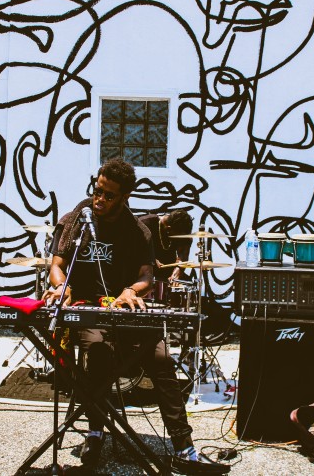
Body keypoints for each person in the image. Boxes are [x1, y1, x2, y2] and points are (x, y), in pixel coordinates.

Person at [43, 158, 228, 474]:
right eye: (98, 190)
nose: (100, 200)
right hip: (88, 308)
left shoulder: (137, 231)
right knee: (97, 351)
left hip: (125, 310)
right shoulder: (79, 218)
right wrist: (62, 287)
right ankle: (95, 432)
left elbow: (148, 276)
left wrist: (132, 290)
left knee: (161, 360)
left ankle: (185, 449)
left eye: (109, 195)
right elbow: (57, 264)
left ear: (125, 196)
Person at [139, 210, 194, 282]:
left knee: (187, 284)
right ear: (168, 229)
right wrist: (149, 259)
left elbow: (183, 256)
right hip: (142, 275)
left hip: (168, 276)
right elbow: (129, 252)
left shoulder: (182, 231)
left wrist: (178, 269)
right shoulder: (144, 224)